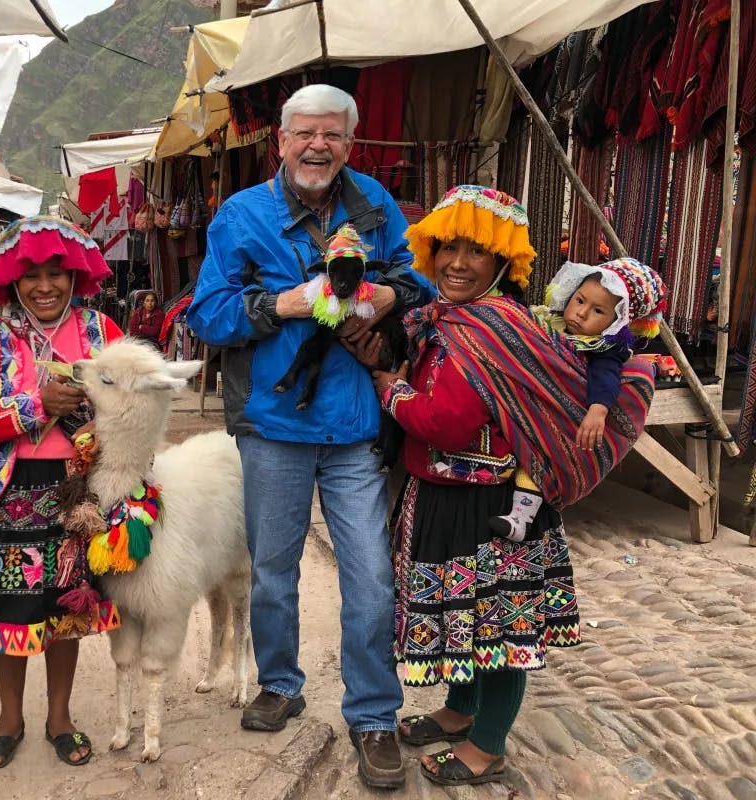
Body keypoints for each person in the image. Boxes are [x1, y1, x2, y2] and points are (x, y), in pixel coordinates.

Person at [186, 83, 435, 790]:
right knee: (271, 570)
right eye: (305, 134)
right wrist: (287, 303)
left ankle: (375, 715)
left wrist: (386, 296)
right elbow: (207, 314)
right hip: (273, 423)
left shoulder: (376, 207)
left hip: (357, 423)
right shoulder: (242, 215)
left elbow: (413, 280)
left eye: (331, 134)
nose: (317, 146)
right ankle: (281, 682)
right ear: (281, 142)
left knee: (372, 576)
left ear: (349, 144)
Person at [364, 185, 653, 786]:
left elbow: (442, 419)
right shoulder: (448, 318)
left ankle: (488, 746)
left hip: (491, 507)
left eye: (476, 251)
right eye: (446, 248)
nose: (457, 263)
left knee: (496, 629)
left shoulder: (492, 330)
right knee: (464, 620)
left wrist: (389, 385)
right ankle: (459, 711)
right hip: (447, 496)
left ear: (504, 261)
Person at [0, 215, 124, 770]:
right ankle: (9, 718)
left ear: (75, 276)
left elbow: (129, 406)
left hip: (76, 496)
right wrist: (37, 405)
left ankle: (59, 716)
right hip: (7, 495)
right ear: (12, 277)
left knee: (67, 611)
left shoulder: (101, 333)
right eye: (31, 273)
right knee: (9, 614)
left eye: (57, 272)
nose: (45, 285)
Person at [489, 257, 666, 541]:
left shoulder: (603, 349)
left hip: (554, 418)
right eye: (580, 300)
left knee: (536, 465)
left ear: (616, 321)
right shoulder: (546, 320)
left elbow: (605, 379)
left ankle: (519, 520)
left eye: (598, 311)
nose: (581, 314)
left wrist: (598, 411)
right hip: (522, 404)